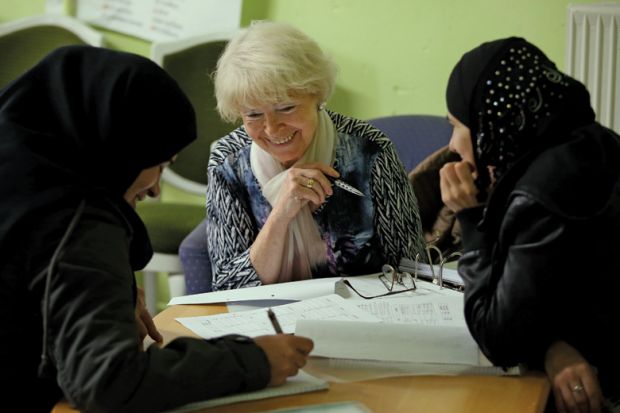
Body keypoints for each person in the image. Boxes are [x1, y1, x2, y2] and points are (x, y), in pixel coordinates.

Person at [0, 45, 313, 413]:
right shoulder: (76, 221)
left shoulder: (23, 178)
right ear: (120, 148)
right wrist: (254, 360)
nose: (155, 188)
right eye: (160, 164)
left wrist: (98, 295)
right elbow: (108, 382)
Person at [440, 37, 620, 413]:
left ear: (492, 122)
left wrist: (471, 219)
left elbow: (500, 337)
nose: (453, 145)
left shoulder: (538, 195)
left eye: (457, 126)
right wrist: (552, 345)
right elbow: (552, 293)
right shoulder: (595, 143)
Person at [207, 21, 425, 290]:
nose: (272, 128)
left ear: (317, 95)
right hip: (268, 322)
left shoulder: (370, 150)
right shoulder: (227, 161)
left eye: (286, 108)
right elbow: (227, 286)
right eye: (253, 114)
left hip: (365, 317)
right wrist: (281, 214)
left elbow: (413, 269)